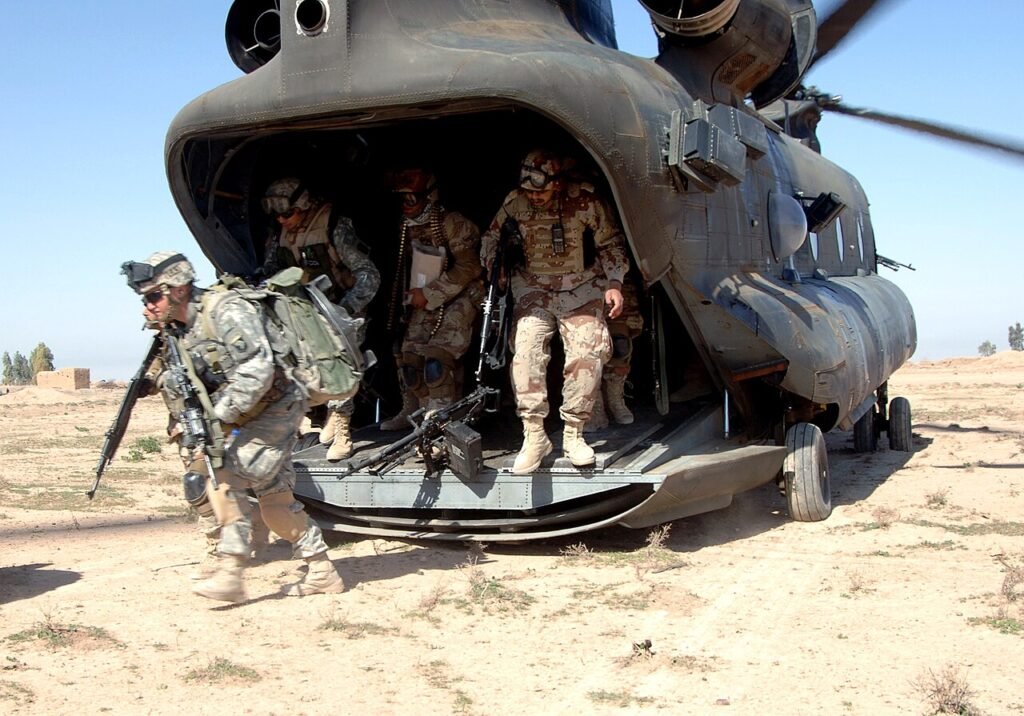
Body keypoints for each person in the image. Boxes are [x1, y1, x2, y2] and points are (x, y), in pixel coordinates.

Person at [122, 251, 346, 603]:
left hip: (278, 406)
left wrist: (218, 418)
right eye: (145, 300)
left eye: (153, 297)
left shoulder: (226, 310)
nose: (147, 307)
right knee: (275, 501)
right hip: (246, 413)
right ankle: (322, 571)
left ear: (178, 289)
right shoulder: (179, 330)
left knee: (224, 474)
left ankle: (231, 570)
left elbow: (258, 370)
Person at [480, 149, 629, 474]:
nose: (534, 197)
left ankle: (574, 433)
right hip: (534, 287)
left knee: (587, 352)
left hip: (582, 287)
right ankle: (534, 435)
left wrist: (615, 282)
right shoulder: (515, 202)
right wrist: (495, 265)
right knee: (526, 352)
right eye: (529, 191)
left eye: (541, 191)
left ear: (557, 184)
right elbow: (490, 238)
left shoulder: (585, 200)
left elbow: (611, 243)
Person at [262, 177, 380, 460]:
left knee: (341, 364)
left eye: (287, 214)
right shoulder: (279, 235)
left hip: (342, 310)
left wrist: (343, 311)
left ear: (303, 206)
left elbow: (369, 275)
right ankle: (320, 418)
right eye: (277, 215)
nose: (281, 220)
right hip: (304, 316)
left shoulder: (334, 226)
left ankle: (342, 430)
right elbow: (269, 273)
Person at [379, 167, 484, 429]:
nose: (406, 204)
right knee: (409, 359)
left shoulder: (453, 223)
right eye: (401, 198)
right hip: (427, 297)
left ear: (429, 196)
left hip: (461, 295)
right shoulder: (408, 226)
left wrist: (429, 294)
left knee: (437, 359)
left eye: (411, 198)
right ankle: (417, 411)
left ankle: (441, 420)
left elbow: (469, 267)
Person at [586, 272, 643, 431]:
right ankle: (594, 407)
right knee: (585, 349)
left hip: (615, 279)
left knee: (619, 345)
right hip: (578, 283)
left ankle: (615, 399)